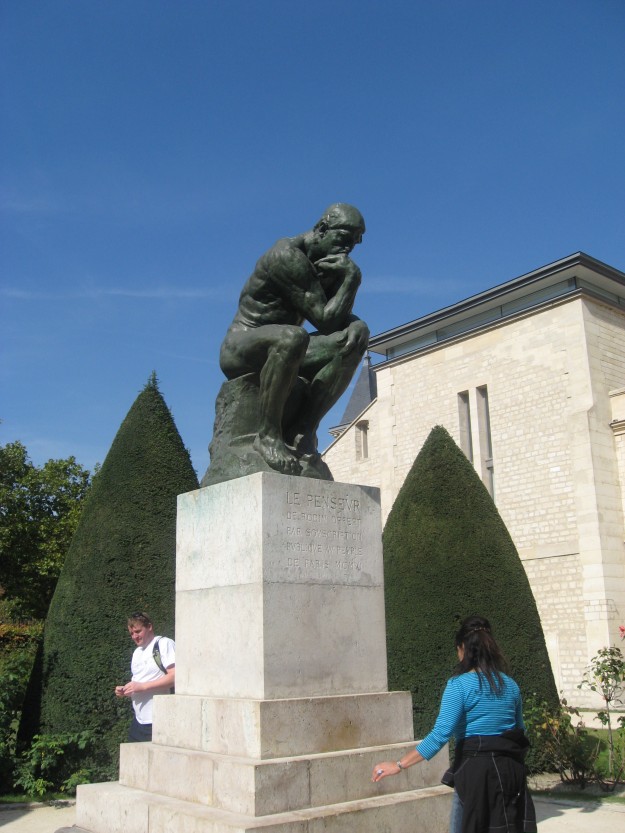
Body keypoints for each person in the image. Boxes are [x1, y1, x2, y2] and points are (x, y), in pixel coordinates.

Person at [218, 203, 369, 477]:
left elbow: (335, 319)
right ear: (322, 229)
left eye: (354, 244)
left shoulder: (329, 265)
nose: (347, 250)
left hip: (291, 348)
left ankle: (303, 431)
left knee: (355, 337)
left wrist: (354, 323)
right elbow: (324, 318)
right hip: (241, 346)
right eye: (343, 240)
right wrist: (352, 279)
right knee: (292, 336)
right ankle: (267, 436)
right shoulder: (286, 255)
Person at [372, 615, 536, 833]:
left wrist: (398, 765)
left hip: (476, 771)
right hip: (511, 771)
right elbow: (520, 730)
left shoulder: (459, 685)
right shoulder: (511, 685)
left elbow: (441, 734)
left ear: (463, 649)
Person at [114, 612, 175, 742]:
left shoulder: (164, 644)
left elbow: (175, 676)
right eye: (131, 634)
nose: (134, 636)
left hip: (159, 719)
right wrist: (126, 690)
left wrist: (142, 687)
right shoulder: (137, 652)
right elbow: (138, 682)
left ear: (149, 627)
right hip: (139, 720)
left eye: (138, 631)